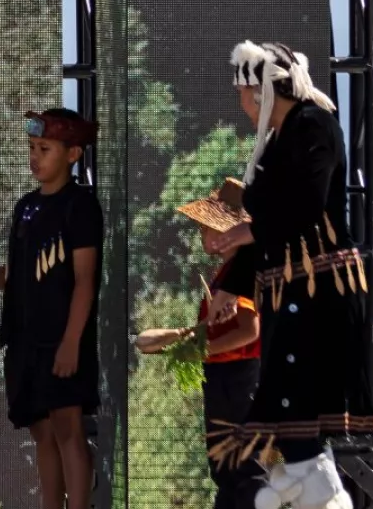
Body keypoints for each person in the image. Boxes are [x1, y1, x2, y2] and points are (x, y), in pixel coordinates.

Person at [203, 41, 373, 508]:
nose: (241, 103)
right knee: (290, 412)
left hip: (320, 292)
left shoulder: (313, 125)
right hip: (292, 292)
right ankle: (306, 480)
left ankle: (311, 482)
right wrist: (231, 286)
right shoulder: (280, 139)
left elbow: (303, 205)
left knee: (296, 406)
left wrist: (247, 228)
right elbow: (269, 230)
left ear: (261, 92)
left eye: (243, 92)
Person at [0, 109, 101, 509]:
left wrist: (71, 343)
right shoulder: (25, 207)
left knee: (70, 429)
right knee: (42, 432)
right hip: (25, 340)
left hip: (62, 338)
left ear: (73, 154)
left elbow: (86, 280)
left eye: (45, 149)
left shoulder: (80, 206)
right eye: (32, 148)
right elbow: (17, 275)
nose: (35, 156)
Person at [137, 196, 265, 509]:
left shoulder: (241, 276)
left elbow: (250, 331)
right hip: (224, 376)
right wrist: (188, 339)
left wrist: (202, 351)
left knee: (245, 467)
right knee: (224, 466)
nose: (201, 235)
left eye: (206, 229)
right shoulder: (225, 274)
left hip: (240, 378)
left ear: (227, 233)